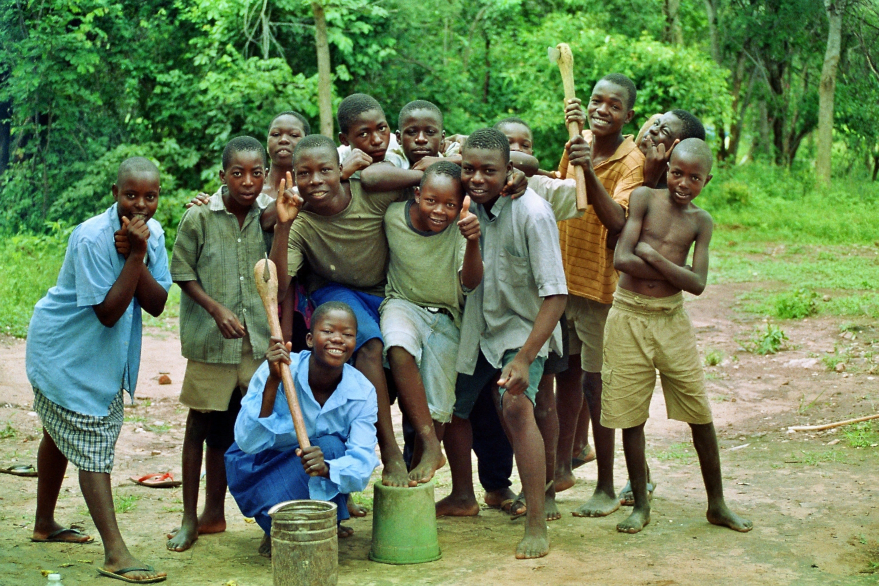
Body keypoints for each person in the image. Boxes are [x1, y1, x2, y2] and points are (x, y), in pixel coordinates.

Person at [26, 157, 170, 583]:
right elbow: (108, 313)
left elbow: (157, 304)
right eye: (131, 195)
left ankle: (44, 524)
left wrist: (140, 255)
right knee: (89, 439)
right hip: (64, 353)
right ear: (115, 194)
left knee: (59, 432)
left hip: (97, 357)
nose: (140, 205)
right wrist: (134, 258)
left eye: (150, 196)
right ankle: (115, 552)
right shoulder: (91, 237)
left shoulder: (154, 235)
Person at [607, 138, 753, 535]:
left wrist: (651, 256)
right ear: (667, 166)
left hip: (672, 320)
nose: (683, 183)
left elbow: (698, 283)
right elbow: (622, 259)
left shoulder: (701, 221)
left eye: (694, 177)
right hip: (628, 315)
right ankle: (640, 504)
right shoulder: (643, 198)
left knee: (700, 413)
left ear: (708, 179)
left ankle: (717, 504)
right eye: (676, 172)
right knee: (630, 415)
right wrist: (674, 268)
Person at [439, 128, 567, 559]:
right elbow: (471, 282)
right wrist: (472, 240)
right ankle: (463, 495)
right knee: (450, 405)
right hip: (480, 323)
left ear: (509, 171)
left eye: (489, 170)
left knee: (515, 406)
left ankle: (535, 522)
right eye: (468, 168)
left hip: (525, 329)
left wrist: (527, 358)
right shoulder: (466, 205)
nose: (476, 177)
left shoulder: (533, 212)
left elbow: (556, 295)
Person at [528, 74, 645, 517]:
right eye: (597, 101)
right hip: (562, 285)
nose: (603, 110)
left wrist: (589, 168)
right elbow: (562, 196)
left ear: (627, 115)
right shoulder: (576, 143)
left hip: (599, 290)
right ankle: (559, 471)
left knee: (599, 389)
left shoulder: (630, 159)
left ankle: (608, 486)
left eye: (614, 106)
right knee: (565, 381)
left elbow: (617, 220)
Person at [269, 133, 411, 487]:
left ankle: (420, 449)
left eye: (325, 170)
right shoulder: (301, 221)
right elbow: (280, 287)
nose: (315, 181)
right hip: (336, 293)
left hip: (385, 291)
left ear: (341, 169)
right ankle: (389, 450)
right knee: (368, 345)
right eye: (304, 174)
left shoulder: (371, 193)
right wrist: (284, 224)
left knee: (406, 354)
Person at [167, 136, 276, 552]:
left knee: (257, 428)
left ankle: (262, 515)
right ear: (222, 176)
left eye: (255, 173)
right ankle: (190, 519)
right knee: (201, 426)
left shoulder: (267, 216)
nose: (246, 181)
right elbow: (181, 271)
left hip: (257, 344)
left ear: (265, 175)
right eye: (237, 173)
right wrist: (215, 309)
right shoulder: (199, 217)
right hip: (212, 345)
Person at [225, 301, 380, 556]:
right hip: (259, 466)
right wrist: (274, 383)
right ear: (309, 339)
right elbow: (247, 442)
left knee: (329, 447)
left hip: (314, 467)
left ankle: (321, 519)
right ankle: (274, 526)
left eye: (348, 334)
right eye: (328, 331)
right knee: (326, 447)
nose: (338, 339)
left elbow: (362, 463)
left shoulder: (362, 392)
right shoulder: (278, 370)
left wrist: (328, 467)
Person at [380, 161, 482, 484]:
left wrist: (473, 241)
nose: (440, 211)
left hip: (447, 315)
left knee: (439, 399)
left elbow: (471, 282)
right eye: (431, 201)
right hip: (402, 303)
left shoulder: (461, 226)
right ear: (417, 194)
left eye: (450, 204)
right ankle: (430, 444)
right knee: (397, 345)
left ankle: (424, 459)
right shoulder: (393, 217)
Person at [494, 116, 571, 521]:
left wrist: (527, 172)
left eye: (525, 145)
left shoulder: (537, 200)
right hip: (494, 322)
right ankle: (523, 487)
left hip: (535, 320)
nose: (519, 151)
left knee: (536, 403)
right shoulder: (478, 192)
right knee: (505, 403)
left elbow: (555, 292)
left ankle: (545, 498)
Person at [360, 100, 461, 192]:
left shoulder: (450, 154)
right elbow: (369, 177)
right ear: (399, 138)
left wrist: (441, 162)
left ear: (442, 138)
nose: (421, 139)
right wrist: (430, 174)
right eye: (412, 132)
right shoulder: (397, 158)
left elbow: (474, 159)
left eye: (430, 132)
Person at [335, 93, 407, 179]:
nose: (377, 140)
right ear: (344, 139)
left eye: (381, 128)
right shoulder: (336, 160)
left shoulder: (400, 146)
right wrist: (341, 174)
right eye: (363, 134)